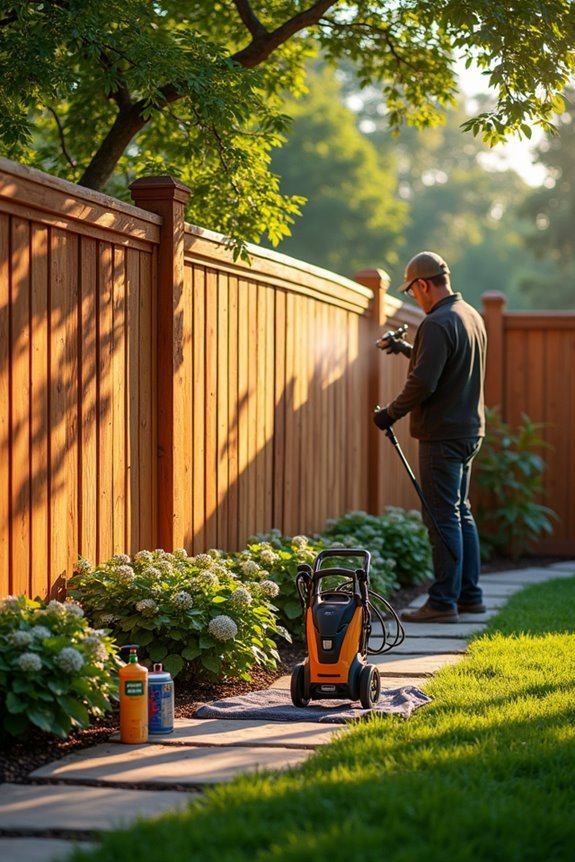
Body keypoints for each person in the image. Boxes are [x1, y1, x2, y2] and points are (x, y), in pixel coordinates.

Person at [373, 251, 487, 622]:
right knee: (460, 513)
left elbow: (424, 382)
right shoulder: (470, 316)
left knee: (441, 518)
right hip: (469, 431)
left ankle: (442, 602)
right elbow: (446, 365)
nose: (415, 299)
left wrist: (389, 413)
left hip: (441, 435)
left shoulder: (437, 323)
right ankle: (469, 595)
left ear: (423, 284)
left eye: (413, 291)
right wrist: (407, 348)